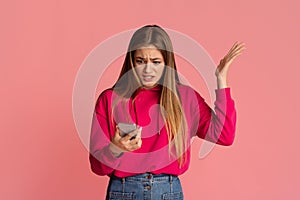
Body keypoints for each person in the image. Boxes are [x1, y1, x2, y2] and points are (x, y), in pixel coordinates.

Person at [89, 24, 245, 200]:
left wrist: (221, 80)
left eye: (156, 62)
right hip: (124, 190)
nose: (148, 70)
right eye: (140, 61)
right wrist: (115, 148)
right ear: (131, 62)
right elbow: (97, 166)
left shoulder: (185, 98)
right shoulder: (109, 99)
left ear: (167, 63)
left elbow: (224, 135)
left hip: (168, 191)